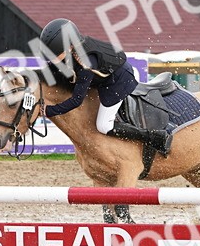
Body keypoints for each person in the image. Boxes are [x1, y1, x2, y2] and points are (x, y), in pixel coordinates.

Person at [38, 18, 171, 155]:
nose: (50, 58)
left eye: (54, 54)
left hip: (119, 81)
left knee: (104, 125)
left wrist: (48, 111)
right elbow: (51, 70)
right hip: (105, 74)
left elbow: (76, 100)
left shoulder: (87, 63)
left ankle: (154, 137)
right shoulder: (74, 50)